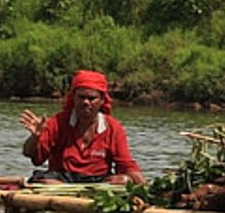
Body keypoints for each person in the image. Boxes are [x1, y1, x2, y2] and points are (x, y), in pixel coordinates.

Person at [18, 70, 147, 185]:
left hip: (98, 182)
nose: (86, 102)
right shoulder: (58, 122)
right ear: (73, 97)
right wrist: (35, 137)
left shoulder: (113, 128)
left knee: (124, 180)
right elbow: (32, 156)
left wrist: (144, 187)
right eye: (81, 97)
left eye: (92, 98)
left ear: (102, 100)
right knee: (45, 182)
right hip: (61, 180)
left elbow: (126, 164)